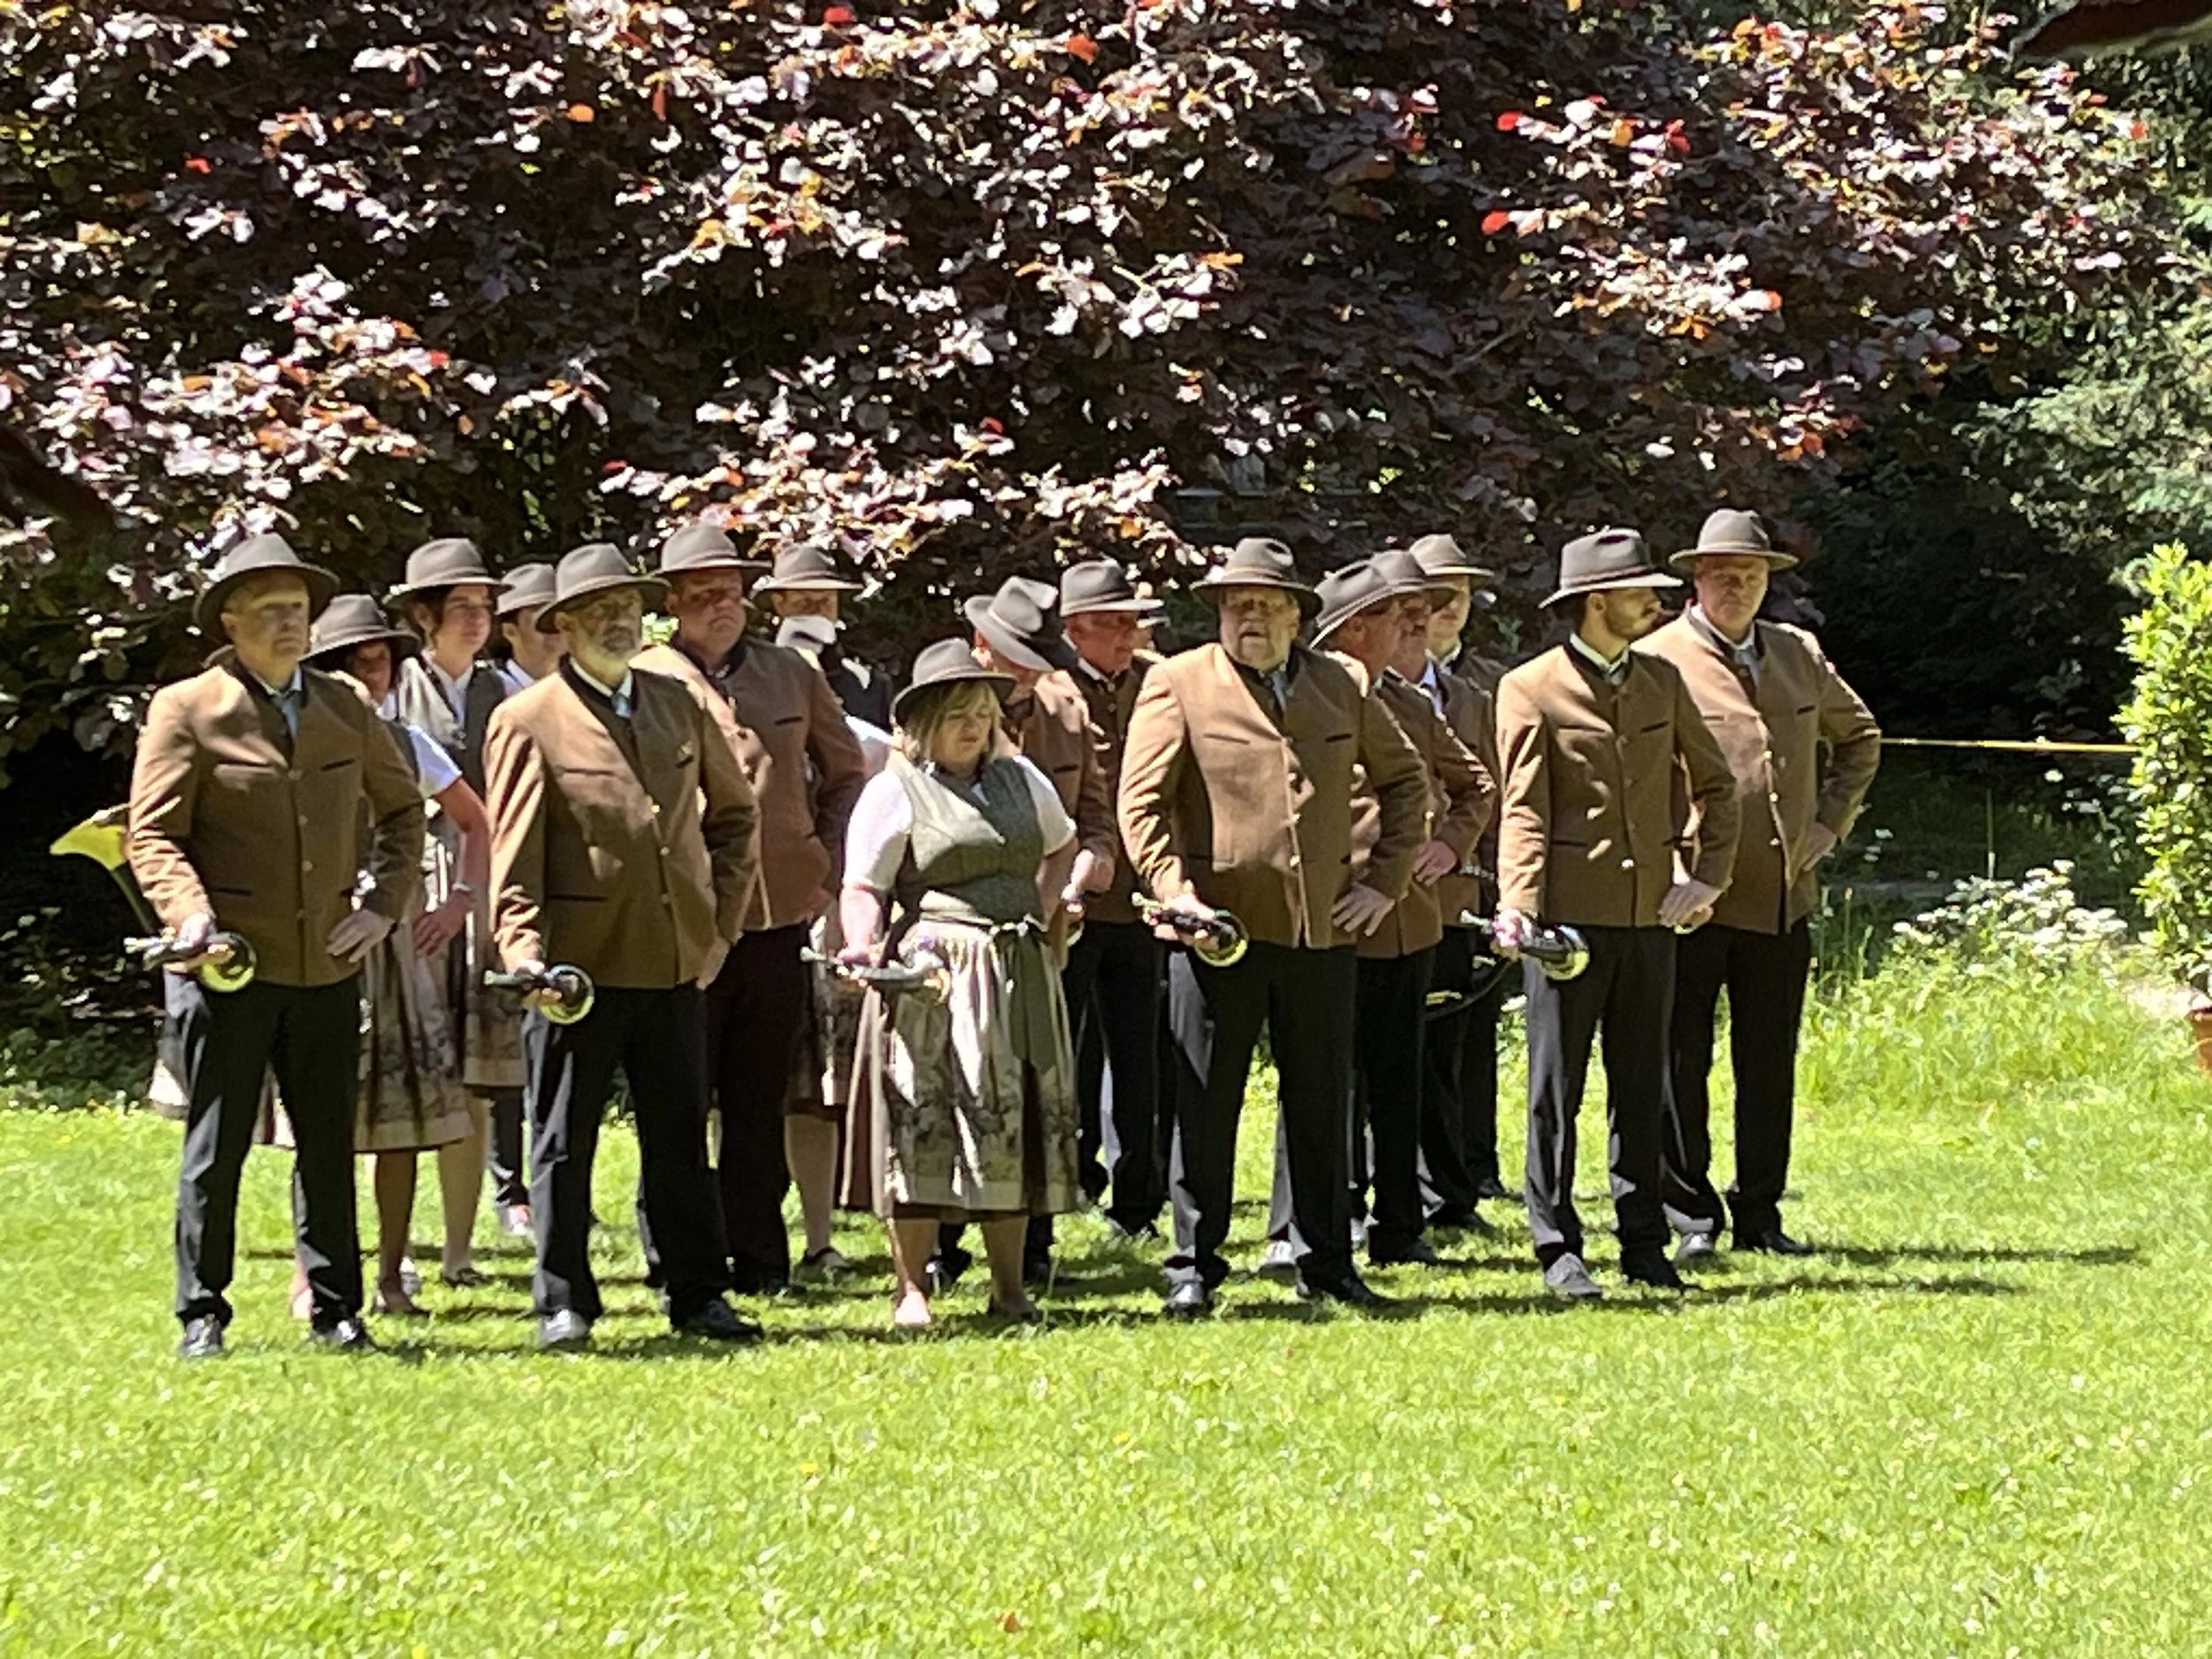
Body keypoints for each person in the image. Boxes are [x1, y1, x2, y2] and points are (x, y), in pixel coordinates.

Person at [127, 534, 425, 1358]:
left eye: (299, 609)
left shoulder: (344, 706)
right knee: (216, 1145)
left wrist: (382, 910)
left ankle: (338, 1310)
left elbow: (404, 813)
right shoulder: (189, 708)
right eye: (272, 612)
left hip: (325, 962)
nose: (292, 625)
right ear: (230, 621)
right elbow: (151, 835)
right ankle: (202, 1315)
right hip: (228, 964)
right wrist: (189, 916)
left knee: (327, 1143)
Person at [1118, 536, 1430, 1316]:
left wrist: (1384, 884)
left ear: (1298, 614)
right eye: (1235, 603)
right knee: (1205, 1102)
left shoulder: (1343, 682)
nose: (1249, 615)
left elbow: (1406, 783)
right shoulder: (1178, 682)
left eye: (1266, 602)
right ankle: (1194, 1261)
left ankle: (1327, 1259)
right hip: (1216, 932)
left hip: (1320, 935)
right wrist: (1174, 891)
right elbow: (1141, 802)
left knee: (1322, 1101)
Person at [484, 541, 763, 1349]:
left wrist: (721, 927)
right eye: (596, 610)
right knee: (563, 1140)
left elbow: (735, 816)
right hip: (577, 969)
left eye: (626, 608)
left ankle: (698, 1292)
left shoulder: (679, 702)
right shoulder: (526, 719)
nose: (615, 621)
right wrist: (524, 951)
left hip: (675, 957)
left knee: (679, 1136)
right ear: (562, 625)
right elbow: (514, 856)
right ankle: (564, 1299)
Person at [1492, 527, 1740, 1300]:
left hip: (1648, 920)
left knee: (1641, 1084)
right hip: (1566, 922)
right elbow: (1523, 810)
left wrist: (1706, 881)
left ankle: (1643, 1241)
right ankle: (1557, 1243)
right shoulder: (1530, 687)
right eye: (1640, 593)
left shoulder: (1662, 681)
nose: (1654, 604)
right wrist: (1519, 907)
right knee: (1555, 1090)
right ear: (1597, 601)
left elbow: (1718, 787)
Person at [1639, 509, 1881, 1258]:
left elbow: (1860, 737)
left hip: (1781, 898)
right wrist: (1670, 865)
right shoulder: (1657, 657)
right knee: (1681, 1061)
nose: (1737, 585)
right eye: (1722, 573)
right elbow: (1636, 777)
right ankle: (1690, 1216)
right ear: (1696, 579)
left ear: (1768, 580)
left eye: (1751, 574)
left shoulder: (1796, 652)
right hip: (1692, 898)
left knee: (1767, 1062)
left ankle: (1761, 1213)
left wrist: (1829, 825)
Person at [635, 521, 868, 1292]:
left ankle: (762, 1260)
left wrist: (825, 858)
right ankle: (674, 1256)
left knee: (758, 1099)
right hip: (684, 924)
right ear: (671, 603)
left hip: (777, 923)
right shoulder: (646, 678)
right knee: (678, 1101)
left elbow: (847, 772)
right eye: (703, 595)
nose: (721, 607)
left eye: (732, 592)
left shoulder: (791, 673)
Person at [837, 639, 1084, 1327]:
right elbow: (862, 884)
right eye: (957, 715)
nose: (974, 727)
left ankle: (1008, 1287)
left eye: (982, 713)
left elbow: (1063, 844)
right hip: (934, 978)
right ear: (922, 726)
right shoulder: (893, 790)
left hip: (1016, 971)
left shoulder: (1023, 778)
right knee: (924, 1118)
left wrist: (1048, 904)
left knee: (1008, 1121)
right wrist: (861, 945)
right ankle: (911, 1286)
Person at [1291, 552, 1493, 1271]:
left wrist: (1445, 847)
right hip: (1334, 917)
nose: (1415, 625)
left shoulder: (1408, 704)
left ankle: (1400, 1226)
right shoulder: (1302, 700)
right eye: (1397, 616)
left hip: (1409, 919)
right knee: (1324, 1079)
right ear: (1350, 631)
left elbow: (1476, 786)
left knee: (1398, 1078)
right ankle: (1314, 1223)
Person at [303, 595, 488, 1314]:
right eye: (347, 662)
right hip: (319, 946)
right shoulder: (303, 742)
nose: (364, 674)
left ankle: (389, 1272)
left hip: (395, 950)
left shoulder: (410, 742)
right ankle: (311, 1274)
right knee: (319, 1122)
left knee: (402, 1121)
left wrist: (458, 901)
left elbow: (475, 820)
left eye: (375, 660)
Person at [964, 574, 1116, 1284]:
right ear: (979, 647)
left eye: (1033, 660)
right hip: (958, 937)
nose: (1024, 674)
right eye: (1012, 657)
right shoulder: (942, 711)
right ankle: (944, 1245)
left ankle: (1034, 1247)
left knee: (1041, 1086)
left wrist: (1081, 877)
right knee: (960, 1083)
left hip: (1046, 932)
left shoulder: (1067, 710)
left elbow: (1096, 818)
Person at [389, 537, 521, 1282]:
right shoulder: (395, 688)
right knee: (410, 1069)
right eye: (462, 608)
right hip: (414, 878)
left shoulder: (503, 690)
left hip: (486, 882)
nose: (478, 620)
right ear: (425, 617)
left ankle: (462, 1250)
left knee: (474, 1075)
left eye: (485, 607)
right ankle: (399, 1248)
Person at [1048, 558, 1169, 1242]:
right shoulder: (1051, 692)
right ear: (1073, 629)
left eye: (1132, 624)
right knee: (1062, 1051)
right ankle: (1062, 1180)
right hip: (1072, 898)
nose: (1126, 638)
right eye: (1110, 626)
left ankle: (1138, 1201)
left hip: (1144, 898)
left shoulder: (1156, 683)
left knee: (1139, 1056)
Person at [1409, 533, 1513, 1222]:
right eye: (1436, 594)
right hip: (1399, 883)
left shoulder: (1493, 685)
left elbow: (1505, 789)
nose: (1451, 606)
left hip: (1472, 881)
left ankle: (1475, 1165)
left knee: (1471, 1034)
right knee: (1415, 1036)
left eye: (1462, 595)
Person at [487, 557, 565, 1233]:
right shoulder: (495, 698)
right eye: (541, 623)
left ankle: (540, 1187)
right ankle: (510, 1183)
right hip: (495, 882)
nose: (556, 634)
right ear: (509, 629)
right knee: (494, 1054)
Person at [751, 542, 895, 727]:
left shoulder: (869, 685)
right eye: (805, 602)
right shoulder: (753, 673)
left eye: (826, 601)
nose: (817, 611)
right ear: (779, 603)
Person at [495, 561, 567, 697]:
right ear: (510, 632)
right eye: (543, 619)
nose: (556, 628)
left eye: (561, 617)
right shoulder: (490, 693)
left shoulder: (583, 690)